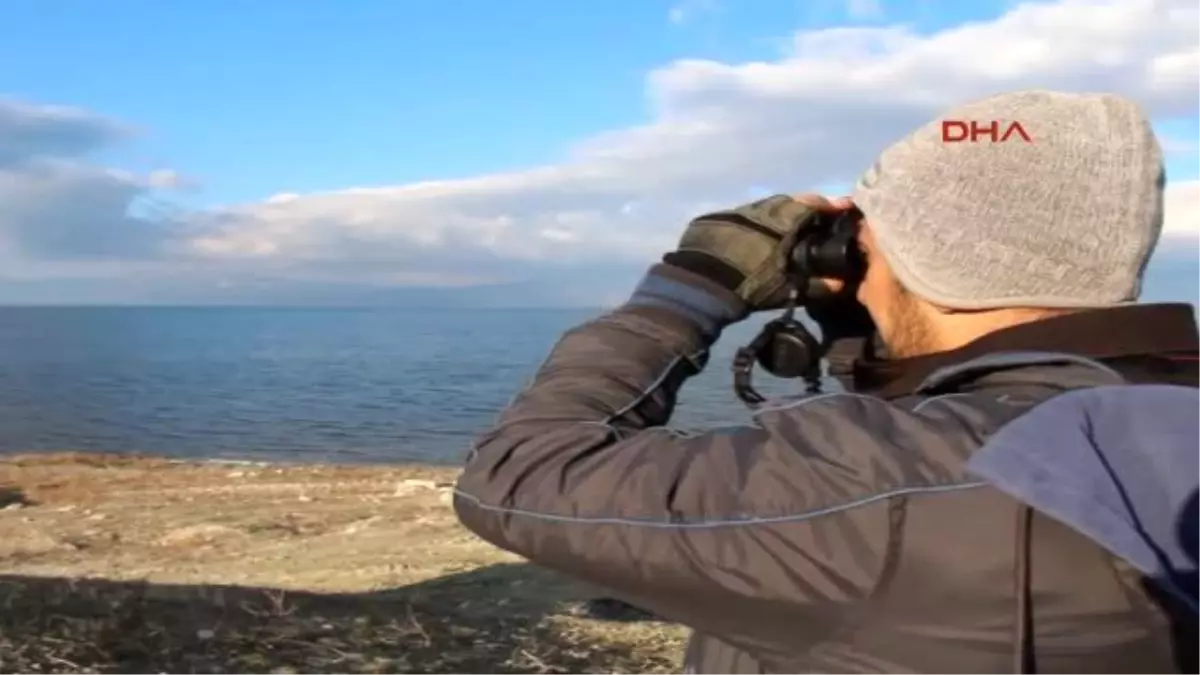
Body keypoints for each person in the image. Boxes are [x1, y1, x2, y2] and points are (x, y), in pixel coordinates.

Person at [452, 90, 1200, 674]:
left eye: (865, 245)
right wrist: (872, 341)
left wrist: (692, 284)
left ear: (916, 256)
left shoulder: (875, 483)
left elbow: (521, 476)